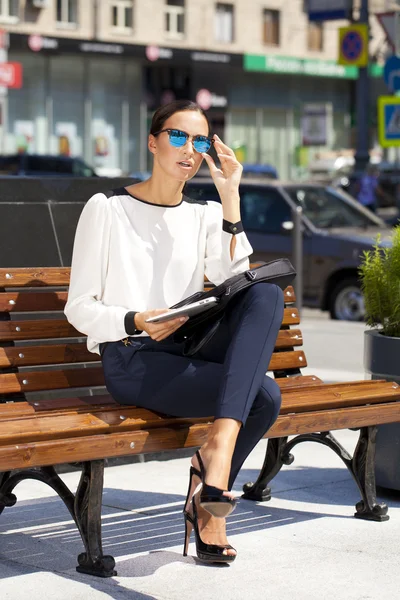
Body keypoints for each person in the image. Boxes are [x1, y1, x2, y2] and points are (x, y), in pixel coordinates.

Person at [64, 100, 284, 564]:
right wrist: (137, 319)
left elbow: (234, 276)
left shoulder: (203, 215)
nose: (189, 149)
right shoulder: (107, 208)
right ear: (153, 141)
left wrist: (230, 197)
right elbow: (79, 307)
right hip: (132, 357)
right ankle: (210, 499)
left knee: (266, 293)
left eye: (200, 141)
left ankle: (216, 453)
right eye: (178, 136)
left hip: (188, 345)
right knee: (263, 397)